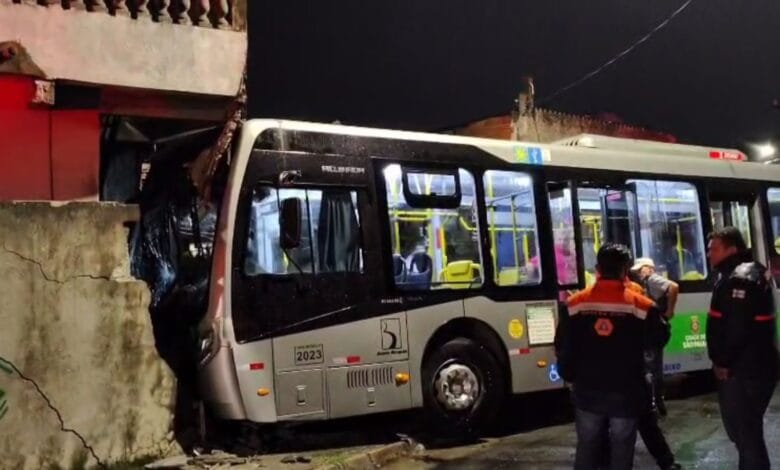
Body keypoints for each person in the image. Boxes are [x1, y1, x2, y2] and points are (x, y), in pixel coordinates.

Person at [557, 243, 653, 470]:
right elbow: (659, 337)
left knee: (587, 448)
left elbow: (562, 343)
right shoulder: (641, 304)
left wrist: (568, 374)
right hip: (626, 392)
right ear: (625, 270)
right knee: (622, 450)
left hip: (587, 391)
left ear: (597, 268)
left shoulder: (575, 303)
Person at [706, 227, 778, 470]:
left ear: (732, 249)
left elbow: (737, 329)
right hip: (753, 367)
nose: (709, 254)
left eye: (714, 248)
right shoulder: (743, 272)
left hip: (745, 370)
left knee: (744, 432)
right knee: (746, 433)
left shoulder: (740, 278)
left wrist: (723, 362)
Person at [631, 257, 680, 417]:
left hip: (653, 330)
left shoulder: (652, 279)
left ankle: (654, 403)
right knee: (654, 367)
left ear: (649, 268)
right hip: (655, 330)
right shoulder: (646, 282)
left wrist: (670, 311)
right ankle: (657, 402)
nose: (639, 273)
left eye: (641, 269)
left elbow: (673, 287)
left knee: (651, 367)